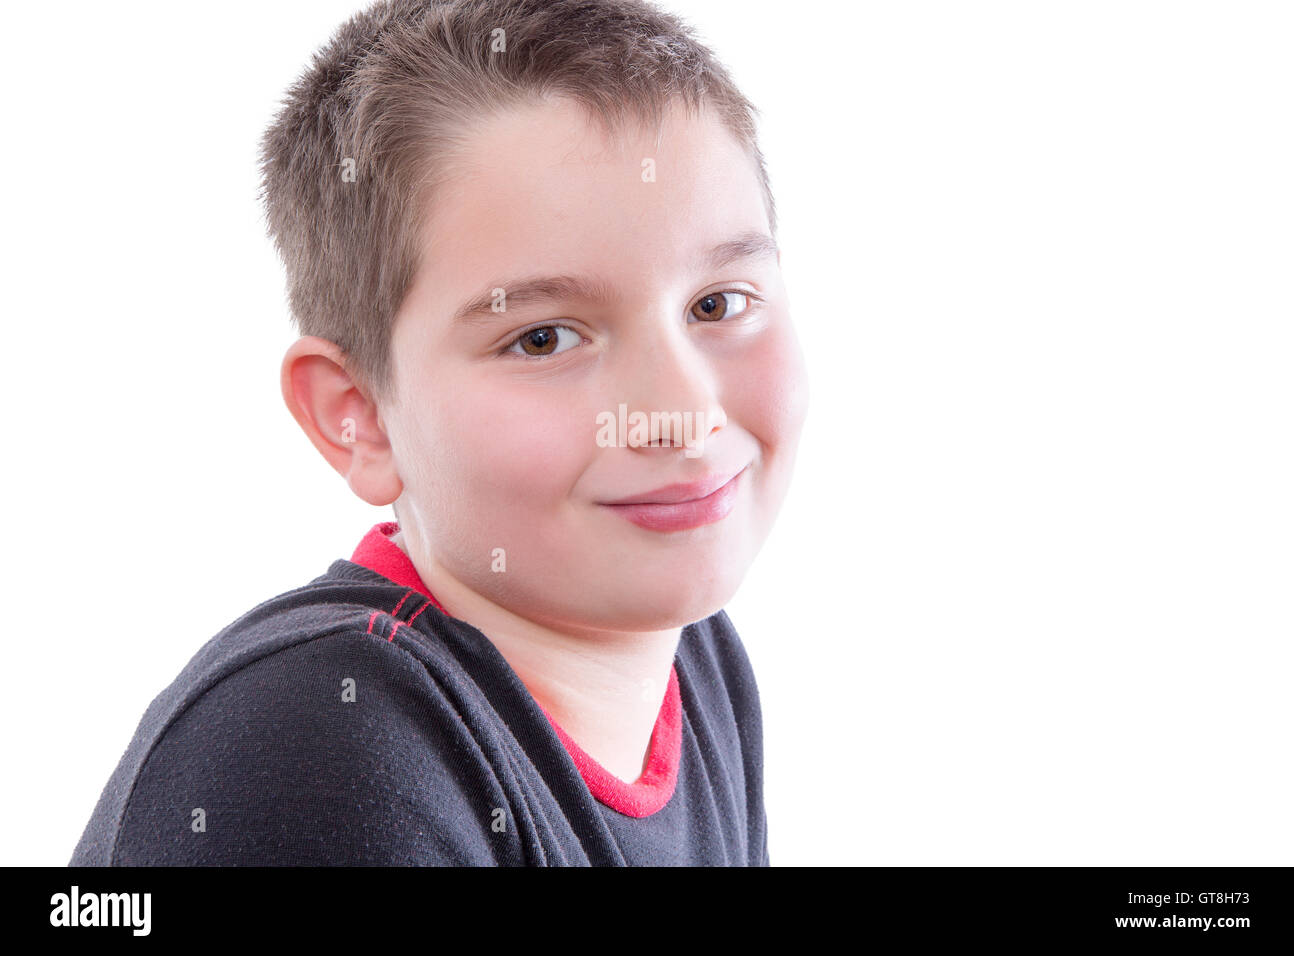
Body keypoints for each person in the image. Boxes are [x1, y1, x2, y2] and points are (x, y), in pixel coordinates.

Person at [69, 0, 808, 866]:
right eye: (543, 337)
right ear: (359, 416)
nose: (681, 411)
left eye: (716, 305)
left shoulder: (693, 657)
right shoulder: (324, 749)